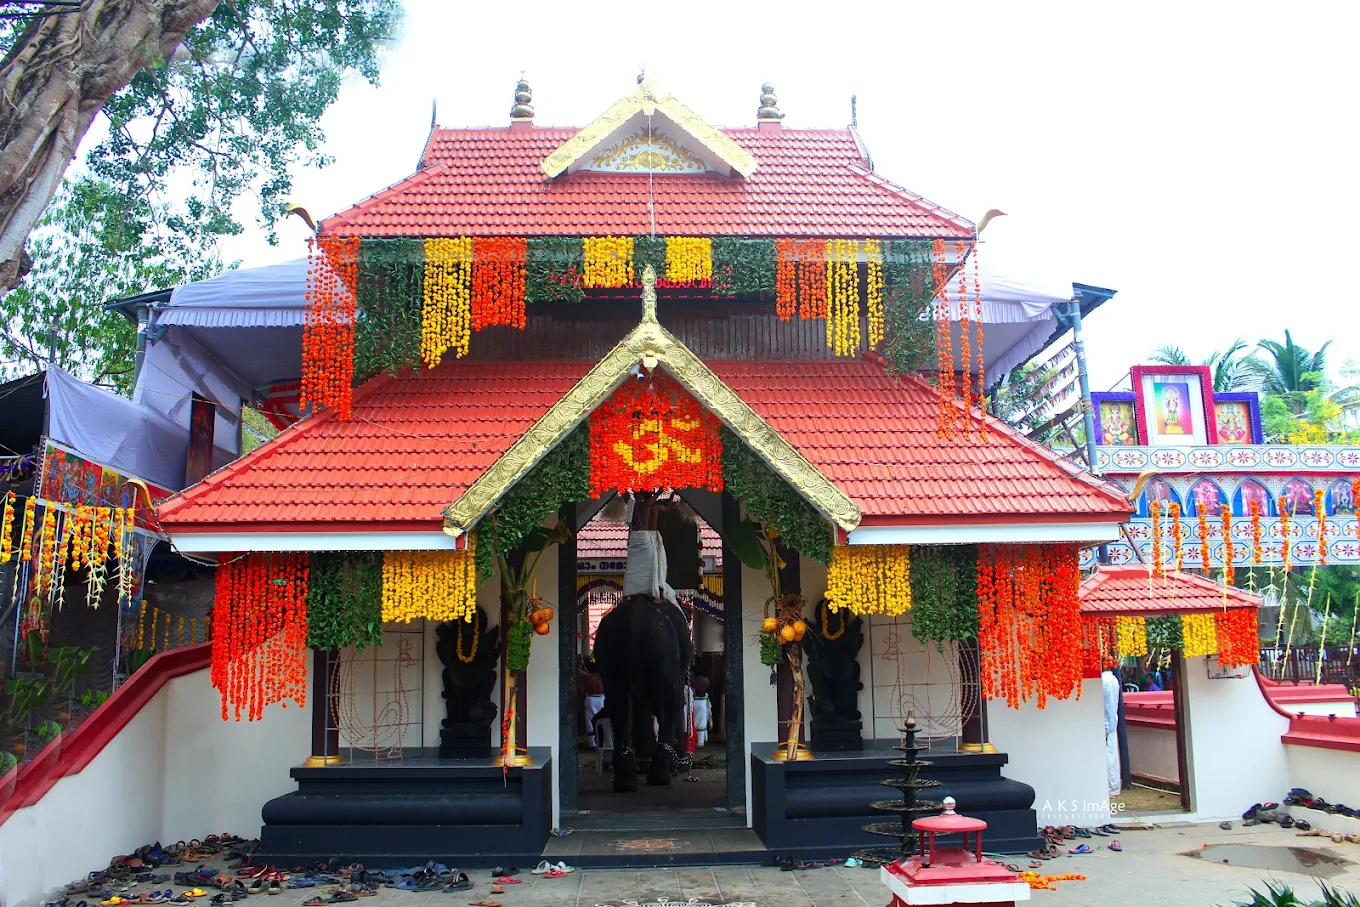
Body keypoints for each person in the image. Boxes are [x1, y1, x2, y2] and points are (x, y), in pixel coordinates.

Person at [1102, 668, 1122, 798]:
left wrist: (1107, 725)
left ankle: (1110, 787)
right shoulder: (1113, 679)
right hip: (1110, 722)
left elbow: (1107, 706)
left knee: (1108, 755)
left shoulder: (1104, 681)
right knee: (1111, 755)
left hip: (1107, 722)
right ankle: (1112, 787)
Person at [581, 657, 605, 747]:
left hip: (591, 699)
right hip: (602, 699)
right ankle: (603, 741)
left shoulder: (589, 676)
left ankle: (592, 743)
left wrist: (581, 663)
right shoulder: (603, 677)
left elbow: (579, 671)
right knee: (603, 720)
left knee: (590, 721)